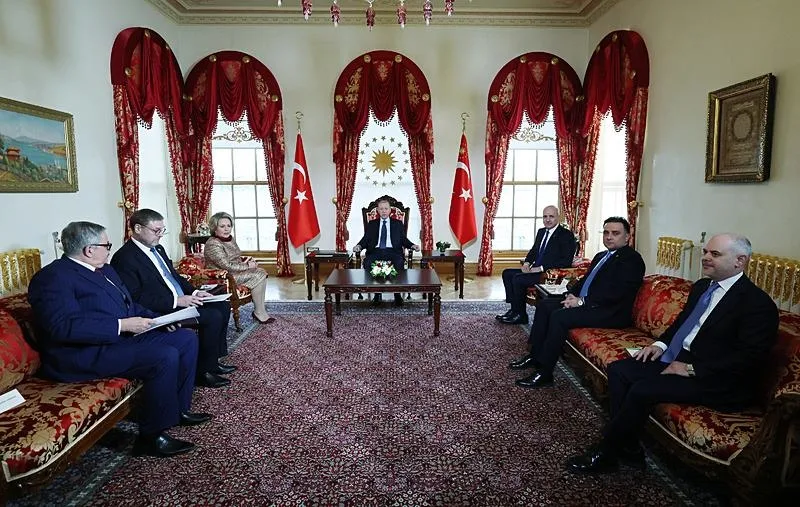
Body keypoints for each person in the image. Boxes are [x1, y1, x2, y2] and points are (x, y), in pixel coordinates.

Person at [567, 233, 779, 473]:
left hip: (717, 379)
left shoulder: (757, 304)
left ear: (740, 261)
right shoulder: (702, 287)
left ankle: (606, 453)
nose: (705, 258)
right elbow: (681, 324)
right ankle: (629, 447)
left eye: (715, 254)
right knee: (620, 370)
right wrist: (659, 346)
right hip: (680, 358)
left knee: (642, 389)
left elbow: (750, 357)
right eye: (705, 252)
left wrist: (691, 369)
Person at [27, 221, 211, 457]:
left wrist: (159, 320)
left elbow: (129, 305)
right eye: (107, 245)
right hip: (81, 353)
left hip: (117, 340)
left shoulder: (105, 270)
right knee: (163, 356)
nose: (109, 250)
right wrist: (121, 325)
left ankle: (178, 410)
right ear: (89, 249)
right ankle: (151, 437)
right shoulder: (53, 278)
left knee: (184, 339)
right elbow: (62, 327)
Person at [510, 216, 645, 388]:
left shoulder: (632, 260)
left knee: (559, 317)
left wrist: (582, 302)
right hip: (590, 303)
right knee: (545, 305)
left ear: (627, 237)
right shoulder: (601, 256)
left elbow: (617, 293)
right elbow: (585, 280)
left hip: (609, 312)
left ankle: (545, 372)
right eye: (606, 233)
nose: (609, 237)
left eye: (615, 233)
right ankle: (535, 355)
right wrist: (570, 295)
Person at [111, 208, 234, 389]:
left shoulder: (158, 248)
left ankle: (213, 361)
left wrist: (194, 292)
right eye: (156, 230)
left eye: (163, 230)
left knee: (222, 305)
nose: (160, 235)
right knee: (212, 316)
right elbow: (135, 297)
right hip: (160, 308)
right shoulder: (124, 258)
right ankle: (203, 372)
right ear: (137, 228)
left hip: (180, 299)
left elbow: (174, 277)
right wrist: (177, 301)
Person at [497, 205, 576, 325]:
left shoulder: (566, 235)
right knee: (507, 273)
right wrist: (527, 263)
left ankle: (521, 315)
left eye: (551, 216)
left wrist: (541, 268)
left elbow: (566, 261)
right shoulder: (541, 232)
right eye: (545, 216)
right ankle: (514, 309)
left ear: (558, 217)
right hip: (534, 270)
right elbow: (534, 251)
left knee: (518, 279)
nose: (547, 220)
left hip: (548, 274)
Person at [203, 211, 275, 324]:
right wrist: (247, 266)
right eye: (222, 226)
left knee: (261, 272)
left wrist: (247, 260)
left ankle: (260, 310)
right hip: (223, 277)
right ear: (214, 228)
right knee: (259, 274)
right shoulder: (213, 244)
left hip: (233, 272)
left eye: (229, 226)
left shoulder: (229, 239)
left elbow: (235, 258)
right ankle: (259, 312)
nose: (226, 229)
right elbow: (226, 265)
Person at [353, 198, 420, 306]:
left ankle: (397, 294)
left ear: (390, 210)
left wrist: (412, 245)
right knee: (368, 262)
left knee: (399, 262)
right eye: (381, 209)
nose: (383, 211)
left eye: (386, 208)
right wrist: (359, 246)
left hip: (393, 251)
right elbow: (366, 239)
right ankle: (377, 294)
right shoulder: (372, 224)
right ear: (378, 211)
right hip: (376, 251)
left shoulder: (397, 224)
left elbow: (403, 239)